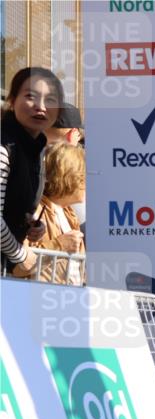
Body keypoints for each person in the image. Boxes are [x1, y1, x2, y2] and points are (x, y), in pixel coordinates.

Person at [2, 67, 63, 269]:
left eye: (51, 99)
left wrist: (32, 224)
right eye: (30, 96)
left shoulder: (36, 150)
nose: (41, 106)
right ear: (12, 100)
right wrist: (18, 253)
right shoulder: (4, 147)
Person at [14, 142, 85, 284]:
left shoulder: (70, 214)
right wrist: (59, 245)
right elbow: (17, 268)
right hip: (37, 300)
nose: (86, 183)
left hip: (64, 300)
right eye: (83, 177)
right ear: (68, 177)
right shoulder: (34, 211)